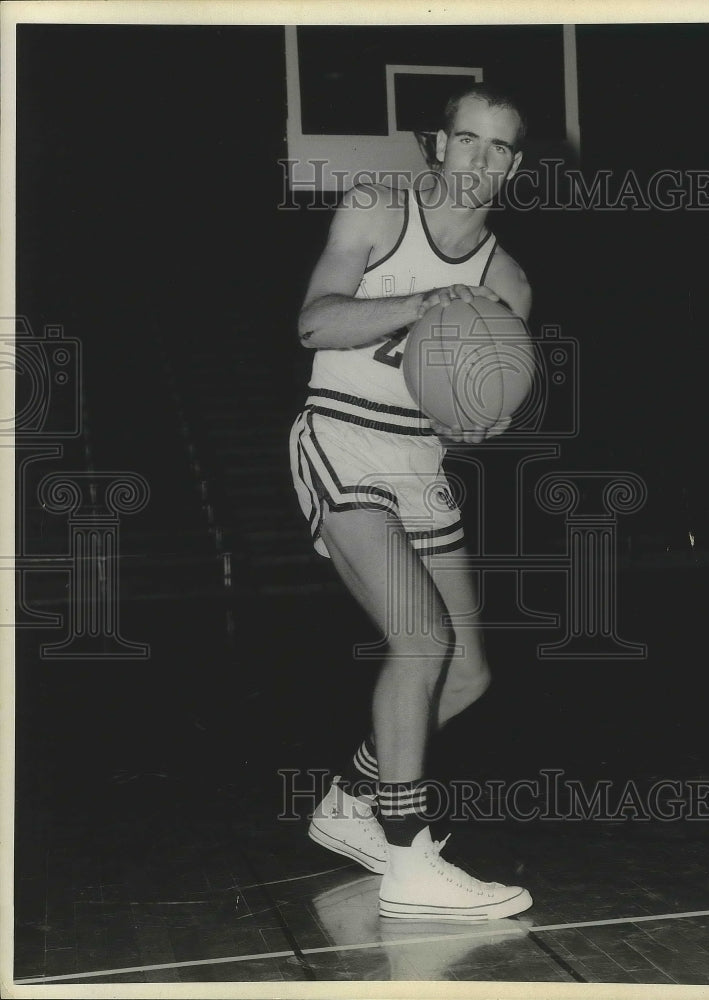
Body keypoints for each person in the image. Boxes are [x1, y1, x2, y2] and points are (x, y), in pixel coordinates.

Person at [289, 84, 534, 920]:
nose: (480, 160)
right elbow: (314, 325)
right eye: (467, 140)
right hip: (342, 437)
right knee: (420, 639)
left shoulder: (506, 281)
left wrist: (483, 420)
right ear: (437, 144)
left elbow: (459, 416)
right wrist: (422, 304)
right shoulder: (376, 210)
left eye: (499, 148)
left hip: (419, 462)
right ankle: (406, 857)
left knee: (465, 672)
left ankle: (352, 801)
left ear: (515, 164)